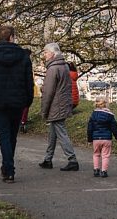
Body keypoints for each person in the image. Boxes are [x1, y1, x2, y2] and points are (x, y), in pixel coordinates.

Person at [0, 24, 34, 183]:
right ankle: (8, 167)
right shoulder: (23, 57)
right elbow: (28, 81)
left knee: (4, 135)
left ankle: (8, 169)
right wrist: (28, 100)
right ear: (12, 37)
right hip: (18, 101)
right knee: (12, 135)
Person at [38, 43, 79, 171]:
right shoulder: (64, 66)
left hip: (56, 105)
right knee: (53, 132)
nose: (44, 55)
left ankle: (72, 159)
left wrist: (44, 111)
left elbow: (48, 92)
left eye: (45, 52)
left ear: (52, 53)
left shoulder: (53, 69)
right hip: (63, 103)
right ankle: (48, 159)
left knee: (60, 132)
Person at [86, 96, 117, 177]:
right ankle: (104, 171)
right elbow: (114, 128)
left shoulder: (93, 115)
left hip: (96, 139)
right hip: (107, 139)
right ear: (106, 104)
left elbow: (90, 128)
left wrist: (89, 139)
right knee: (105, 155)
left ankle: (96, 170)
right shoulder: (110, 115)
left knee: (96, 154)